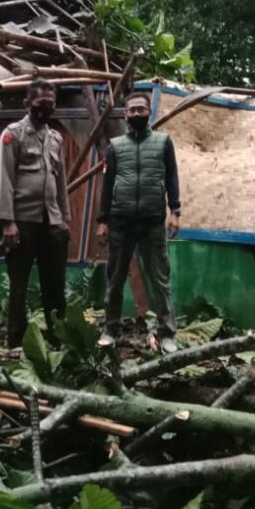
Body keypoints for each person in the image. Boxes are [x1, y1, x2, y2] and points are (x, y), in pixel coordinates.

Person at [96, 92, 182, 353]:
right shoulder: (115, 146)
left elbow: (172, 178)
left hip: (152, 221)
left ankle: (166, 333)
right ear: (125, 115)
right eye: (132, 110)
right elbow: (108, 185)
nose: (136, 114)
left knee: (160, 278)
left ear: (148, 113)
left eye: (141, 110)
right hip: (121, 220)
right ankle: (111, 329)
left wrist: (174, 210)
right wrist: (103, 221)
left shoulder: (163, 143)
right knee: (115, 278)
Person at [0, 78, 71, 352]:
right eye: (41, 104)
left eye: (51, 104)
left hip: (51, 222)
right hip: (22, 221)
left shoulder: (56, 138)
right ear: (28, 103)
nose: (46, 109)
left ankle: (57, 340)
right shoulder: (12, 134)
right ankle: (15, 343)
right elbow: (5, 178)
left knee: (55, 286)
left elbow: (60, 180)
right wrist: (8, 222)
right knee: (19, 285)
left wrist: (64, 219)